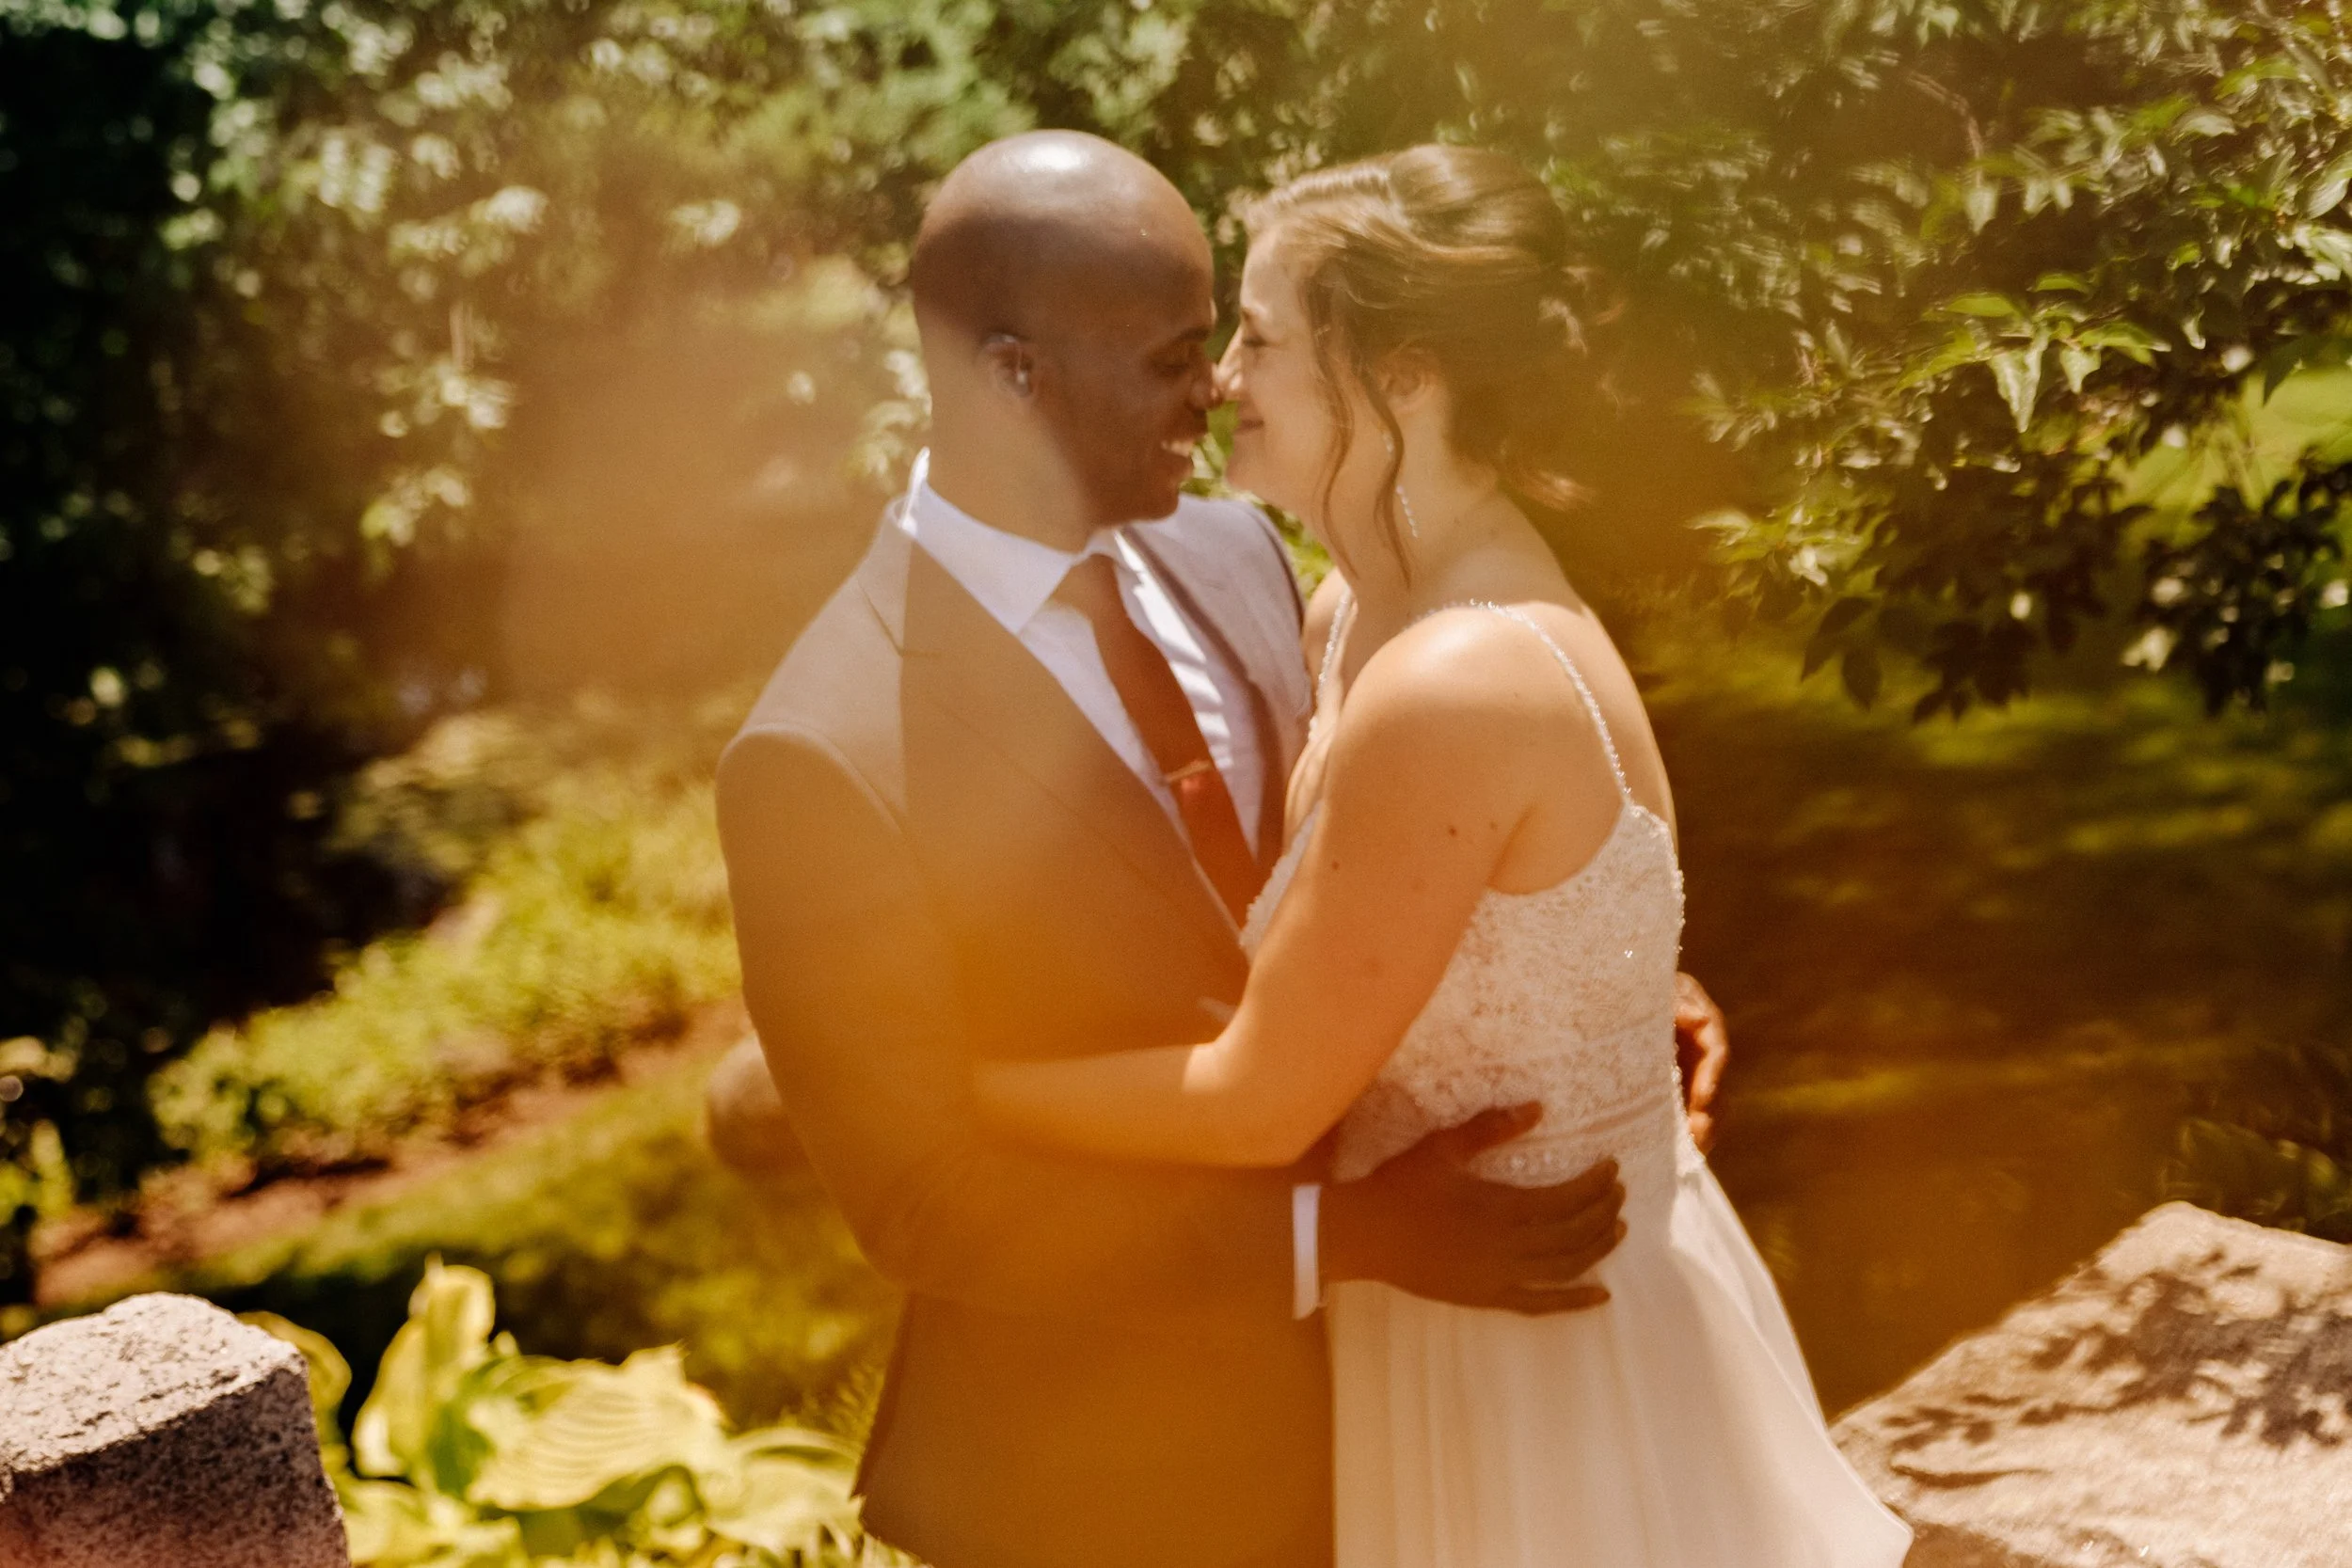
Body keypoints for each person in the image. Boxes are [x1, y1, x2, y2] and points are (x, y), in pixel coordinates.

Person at [710, 132, 1735, 1568]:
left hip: (1442, 1397)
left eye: (1234, 340)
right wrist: (1342, 1240)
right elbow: (925, 1199)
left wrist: (1598, 1002)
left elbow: (1391, 888)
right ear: (1018, 376)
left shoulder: (1246, 560)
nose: (1216, 389)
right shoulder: (820, 754)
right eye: (1176, 354)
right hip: (1115, 1478)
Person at [968, 145, 1914, 1568]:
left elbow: (1254, 1098)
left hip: (1540, 1360)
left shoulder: (1457, 673)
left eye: (1263, 338)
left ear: (1402, 376)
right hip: (1456, 1303)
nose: (1221, 376)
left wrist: (964, 1085)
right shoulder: (1367, 603)